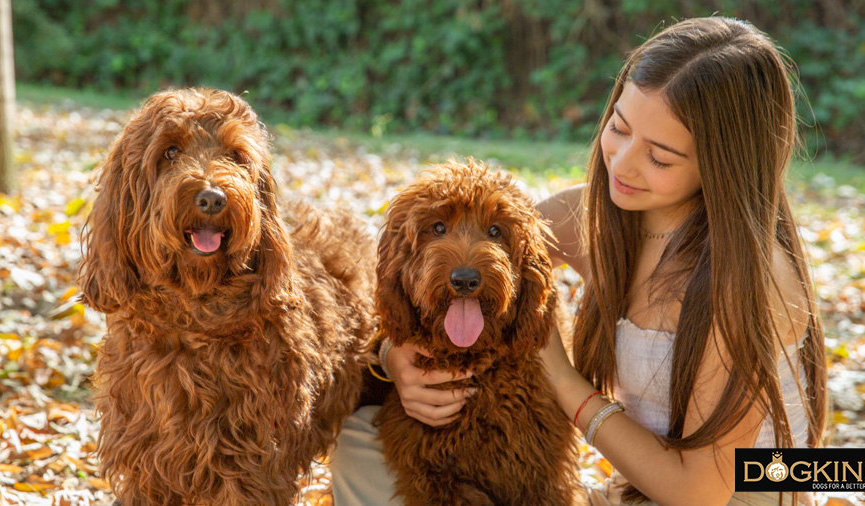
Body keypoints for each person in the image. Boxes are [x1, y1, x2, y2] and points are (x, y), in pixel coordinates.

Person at [330, 16, 827, 506]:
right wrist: (397, 359)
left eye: (660, 156)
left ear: (724, 166)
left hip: (737, 496)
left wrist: (564, 382)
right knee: (361, 440)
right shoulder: (591, 216)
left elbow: (699, 493)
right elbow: (464, 256)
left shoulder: (749, 284)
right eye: (619, 127)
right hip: (631, 491)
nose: (624, 163)